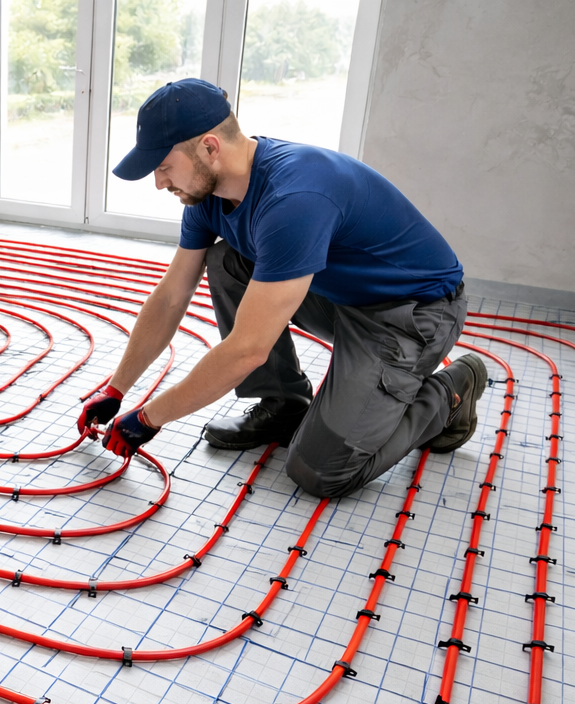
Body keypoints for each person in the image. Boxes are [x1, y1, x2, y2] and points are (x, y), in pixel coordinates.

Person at [77, 78, 484, 498]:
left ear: (209, 147)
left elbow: (247, 349)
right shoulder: (208, 196)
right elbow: (170, 297)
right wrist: (116, 388)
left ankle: (452, 390)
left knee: (321, 472)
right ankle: (283, 403)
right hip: (340, 296)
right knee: (226, 261)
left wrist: (148, 418)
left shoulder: (294, 197)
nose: (159, 183)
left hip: (410, 314)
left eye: (163, 167)